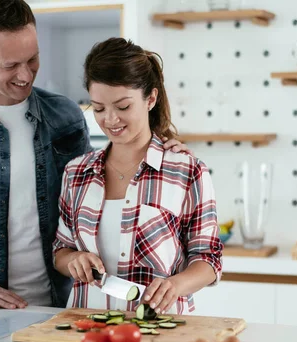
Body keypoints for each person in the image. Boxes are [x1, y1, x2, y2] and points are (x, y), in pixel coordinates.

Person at [0, 0, 188, 310]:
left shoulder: (65, 117)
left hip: (59, 304)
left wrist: (158, 149)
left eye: (32, 59)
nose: (25, 74)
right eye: (10, 65)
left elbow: (95, 185)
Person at [53, 37, 223, 316]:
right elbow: (61, 249)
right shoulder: (76, 172)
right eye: (98, 108)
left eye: (122, 107)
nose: (110, 119)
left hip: (161, 326)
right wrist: (74, 259)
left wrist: (176, 285)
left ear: (150, 99)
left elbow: (209, 259)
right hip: (86, 326)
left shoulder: (187, 170)